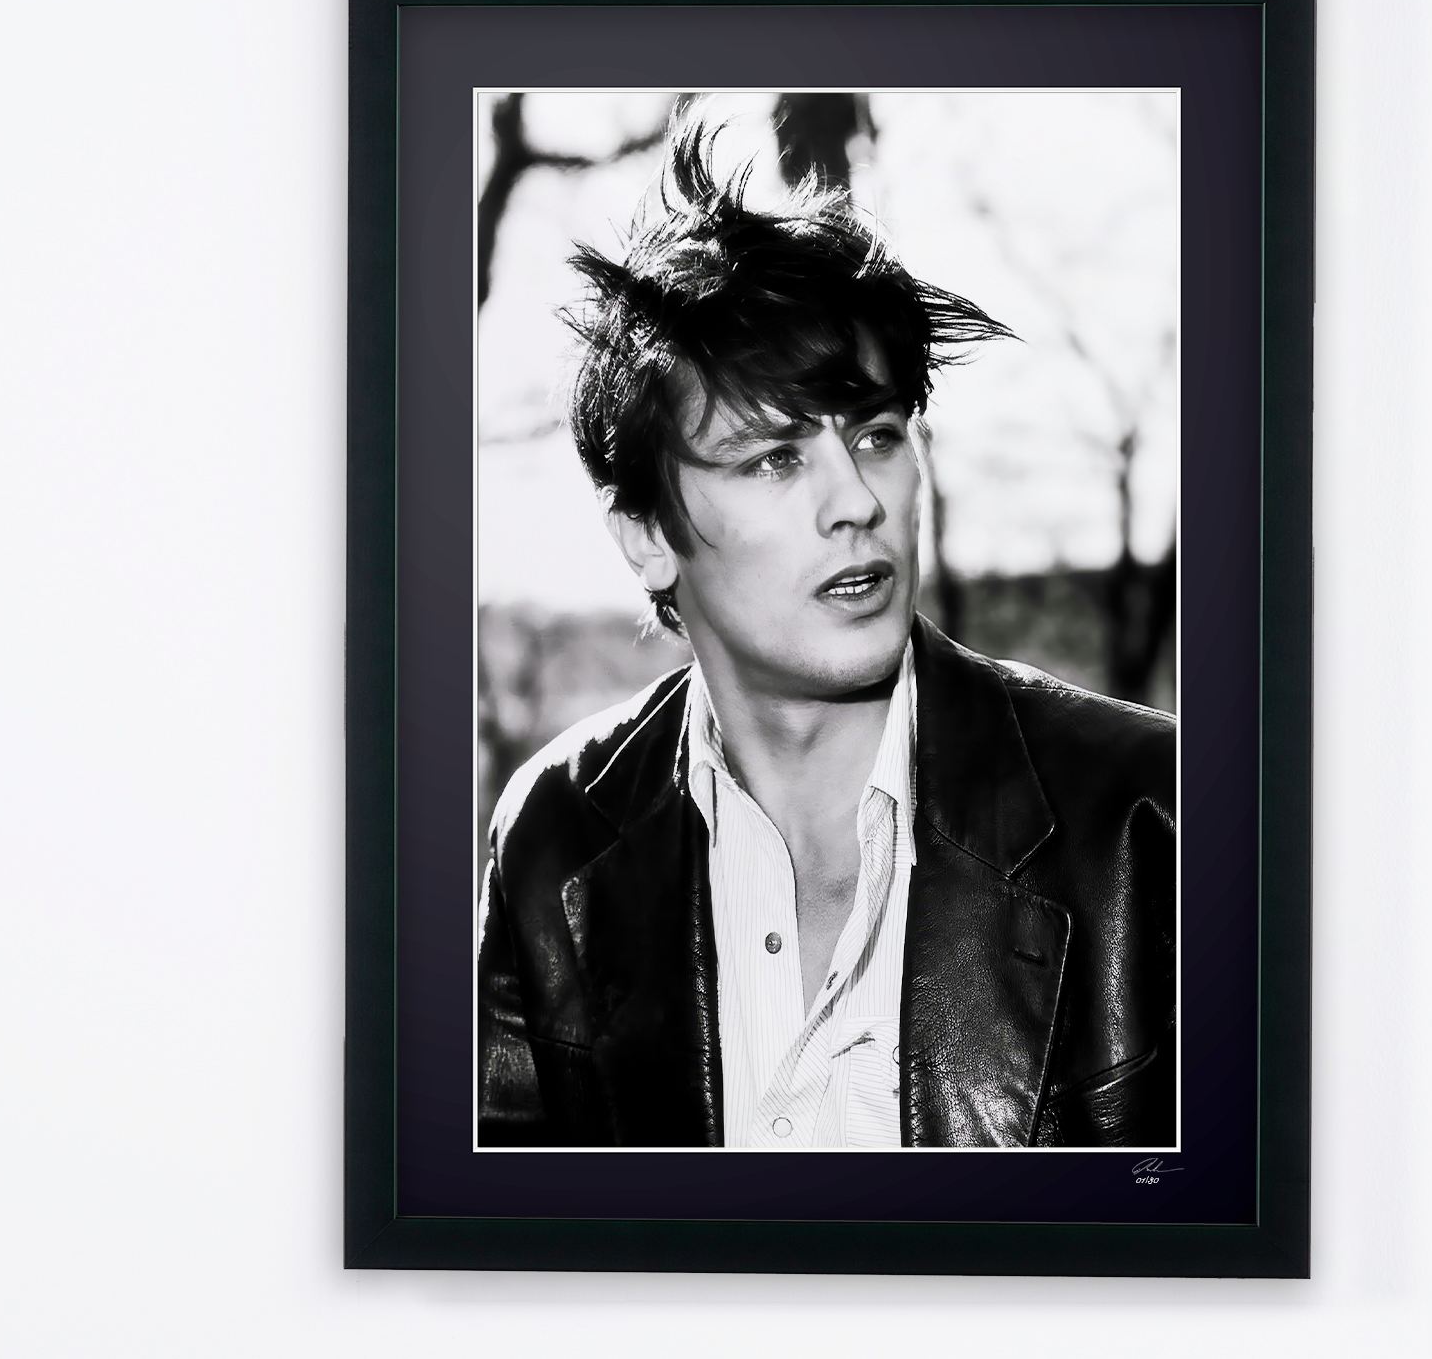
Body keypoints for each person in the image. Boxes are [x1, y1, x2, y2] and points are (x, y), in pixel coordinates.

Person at [477, 120, 1174, 1148]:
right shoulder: (554, 839)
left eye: (877, 436)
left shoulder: (1151, 820)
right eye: (773, 457)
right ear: (646, 536)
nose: (857, 501)